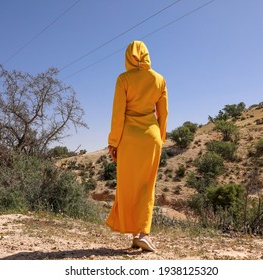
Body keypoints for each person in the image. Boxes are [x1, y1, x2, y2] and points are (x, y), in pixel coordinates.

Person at [105, 41, 168, 252]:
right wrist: (161, 138)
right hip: (151, 137)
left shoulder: (123, 79)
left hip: (129, 139)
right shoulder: (159, 79)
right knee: (146, 186)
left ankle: (136, 233)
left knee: (127, 186)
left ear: (127, 56)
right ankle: (142, 234)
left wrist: (113, 142)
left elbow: (117, 113)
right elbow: (163, 114)